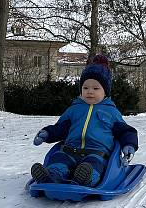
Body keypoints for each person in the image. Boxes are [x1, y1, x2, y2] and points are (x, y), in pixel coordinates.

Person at [31, 55, 139, 187]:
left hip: (97, 153)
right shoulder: (74, 109)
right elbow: (61, 128)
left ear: (105, 91)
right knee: (59, 160)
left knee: (93, 165)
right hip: (70, 150)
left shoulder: (111, 112)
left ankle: (86, 179)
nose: (90, 92)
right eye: (86, 88)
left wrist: (129, 144)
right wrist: (47, 133)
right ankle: (51, 177)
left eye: (95, 88)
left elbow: (125, 131)